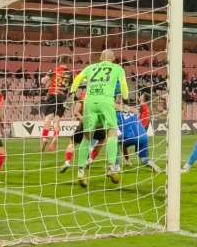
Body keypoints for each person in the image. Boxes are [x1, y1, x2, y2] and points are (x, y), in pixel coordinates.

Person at [68, 49, 129, 186]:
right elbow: (124, 85)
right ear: (113, 59)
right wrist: (126, 101)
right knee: (112, 132)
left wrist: (72, 92)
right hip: (106, 101)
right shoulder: (117, 68)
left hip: (89, 102)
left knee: (86, 137)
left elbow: (77, 78)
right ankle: (111, 167)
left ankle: (81, 171)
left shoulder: (91, 67)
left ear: (101, 58)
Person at [39, 55, 71, 153]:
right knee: (56, 120)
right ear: (68, 62)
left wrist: (45, 79)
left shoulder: (54, 70)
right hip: (63, 97)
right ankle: (55, 138)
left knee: (48, 119)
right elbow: (71, 88)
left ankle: (45, 138)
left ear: (59, 61)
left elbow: (43, 81)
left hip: (53, 95)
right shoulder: (70, 73)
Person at [117, 105, 161, 173]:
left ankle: (117, 166)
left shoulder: (116, 113)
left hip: (129, 136)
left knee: (116, 142)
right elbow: (137, 113)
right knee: (143, 159)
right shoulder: (132, 111)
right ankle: (148, 162)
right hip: (143, 135)